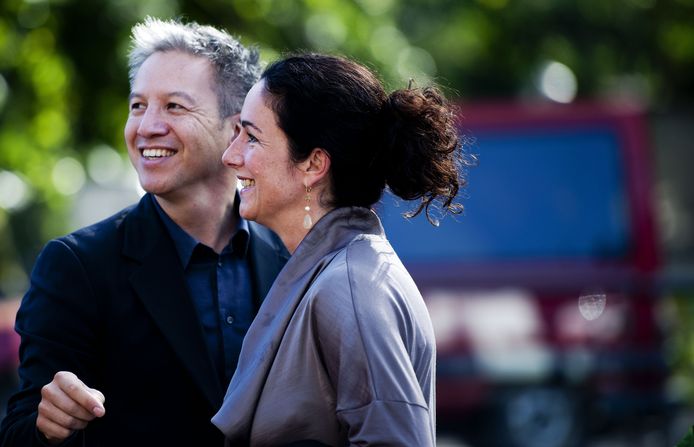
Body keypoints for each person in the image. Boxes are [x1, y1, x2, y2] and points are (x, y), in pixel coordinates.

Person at [0, 17, 287, 447]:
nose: (146, 127)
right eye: (138, 106)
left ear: (236, 129)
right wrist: (49, 426)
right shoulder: (77, 266)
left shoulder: (288, 257)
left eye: (174, 106)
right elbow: (18, 433)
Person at [212, 53, 466, 446]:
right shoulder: (343, 272)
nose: (230, 156)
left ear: (313, 164)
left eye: (251, 137)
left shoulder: (348, 287)